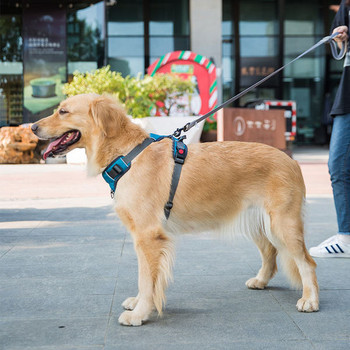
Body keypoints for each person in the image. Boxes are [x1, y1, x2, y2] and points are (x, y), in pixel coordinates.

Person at [309, 0, 350, 258]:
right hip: (347, 94)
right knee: (338, 165)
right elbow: (340, 46)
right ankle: (345, 237)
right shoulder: (345, 6)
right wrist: (340, 36)